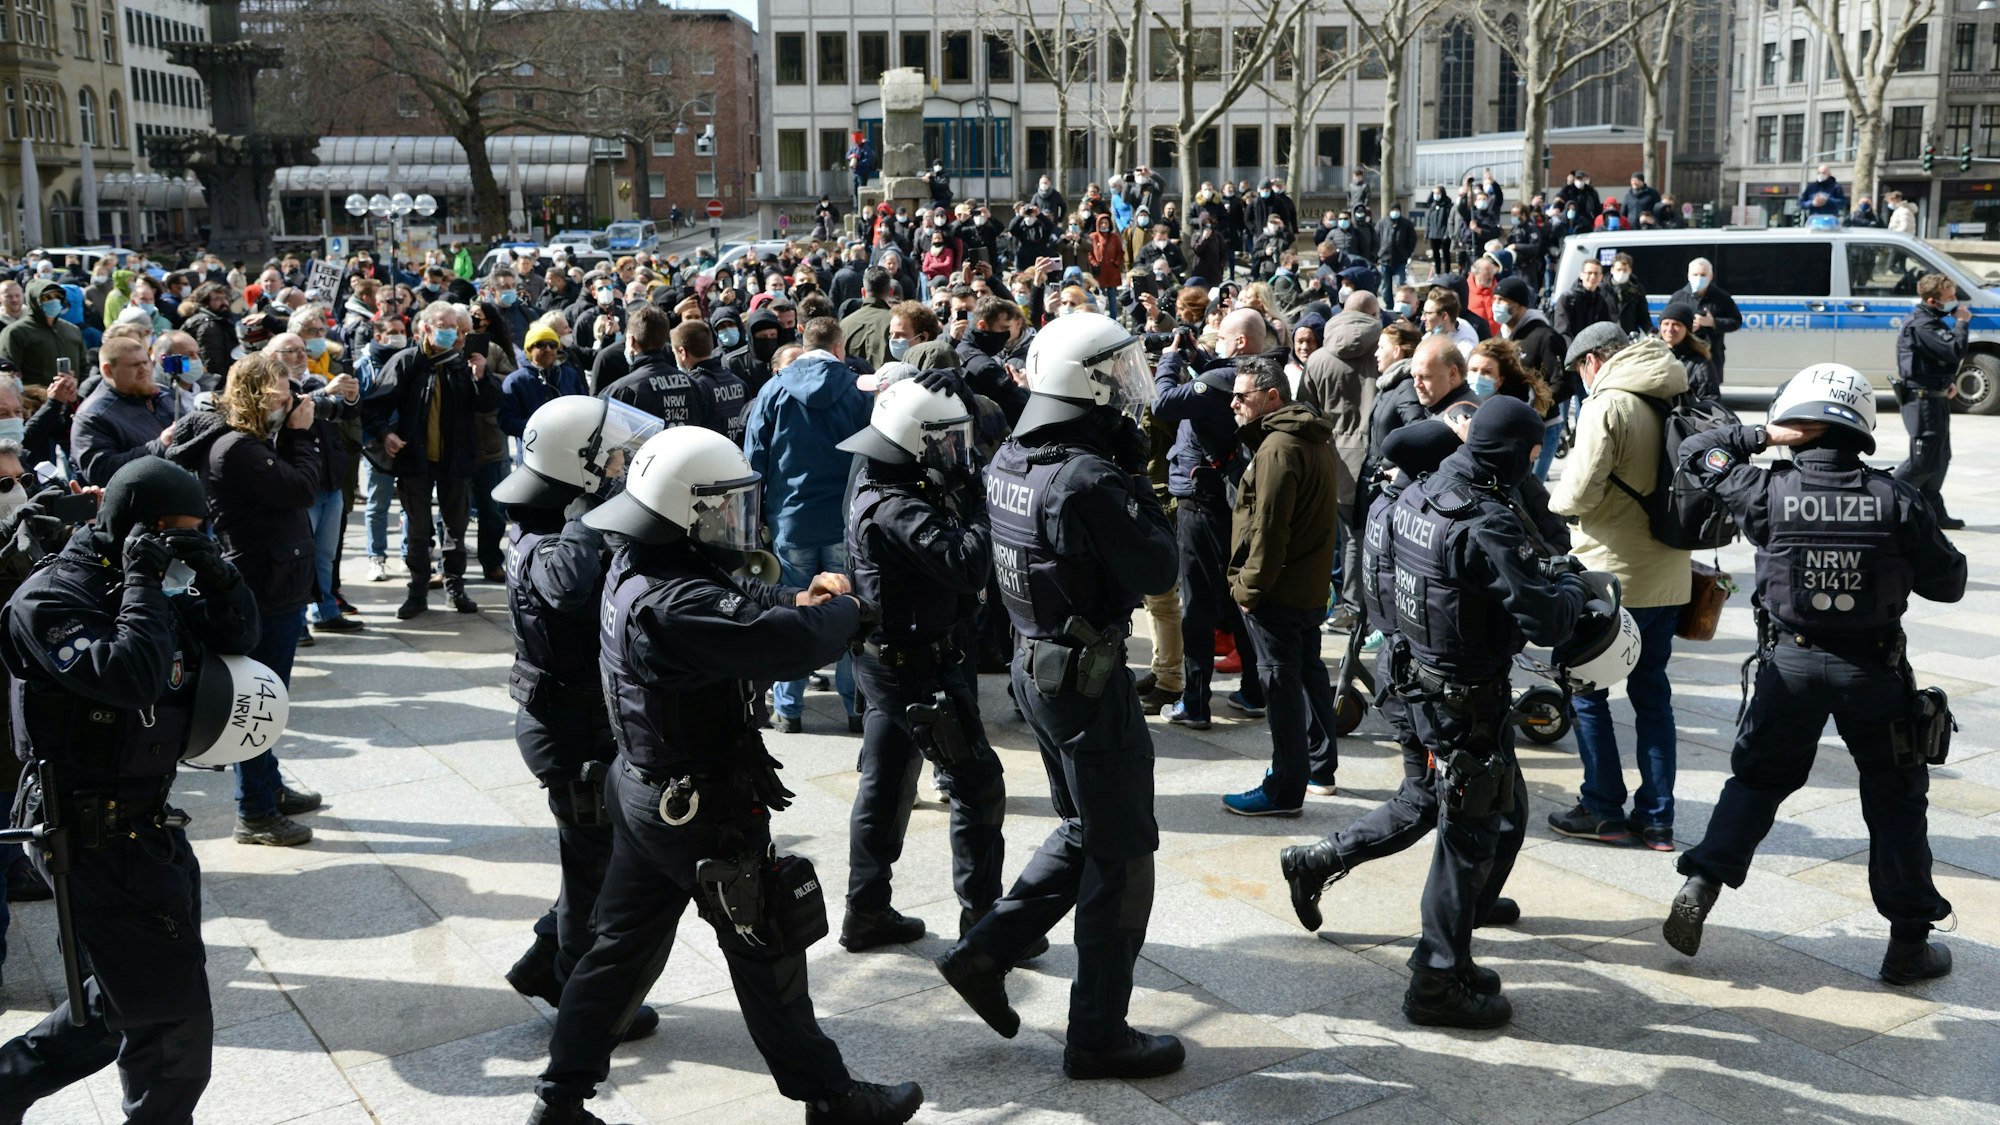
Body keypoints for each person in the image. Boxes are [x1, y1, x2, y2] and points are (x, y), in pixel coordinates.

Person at [528, 425, 923, 1125]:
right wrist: (846, 611)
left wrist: (800, 597)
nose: (730, 519)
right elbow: (780, 642)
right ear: (684, 511)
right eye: (719, 506)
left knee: (617, 953)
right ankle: (831, 1098)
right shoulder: (673, 601)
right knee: (767, 944)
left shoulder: (640, 561)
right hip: (699, 809)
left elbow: (738, 599)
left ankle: (559, 1101)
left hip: (646, 792)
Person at [934, 312, 1185, 1081]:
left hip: (1040, 665)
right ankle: (1099, 1034)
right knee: (1122, 853)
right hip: (1085, 678)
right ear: (1088, 383)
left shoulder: (1016, 454)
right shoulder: (1087, 477)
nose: (1129, 388)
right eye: (1118, 374)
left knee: (1085, 828)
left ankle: (986, 952)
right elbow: (1158, 567)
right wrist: (1137, 482)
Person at [1663, 363, 1964, 986]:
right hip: (1873, 673)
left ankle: (1702, 882)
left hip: (1789, 669)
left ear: (1794, 421)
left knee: (1757, 781)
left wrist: (1761, 437)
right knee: (1896, 800)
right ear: (1861, 425)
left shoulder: (1764, 491)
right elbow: (1950, 584)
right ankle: (1908, 946)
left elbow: (1696, 452)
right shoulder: (1897, 499)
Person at [0, 458, 260, 1123]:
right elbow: (131, 676)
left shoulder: (151, 580)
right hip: (89, 835)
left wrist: (217, 573)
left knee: (112, 1005)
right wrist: (144, 581)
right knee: (172, 1023)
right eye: (174, 532)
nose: (178, 548)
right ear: (133, 526)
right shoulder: (51, 598)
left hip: (148, 828)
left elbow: (239, 636)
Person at [1370, 398, 1593, 1027]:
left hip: (1422, 676)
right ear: (1521, 453)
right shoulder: (1484, 519)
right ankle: (1435, 983)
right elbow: (1546, 620)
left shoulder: (1425, 489)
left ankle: (1455, 959)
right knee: (1465, 839)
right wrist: (1574, 587)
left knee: (1480, 821)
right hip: (1465, 696)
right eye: (1533, 454)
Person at [492, 396, 664, 1040]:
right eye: (610, 459)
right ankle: (579, 1000)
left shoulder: (550, 520)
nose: (620, 466)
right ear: (577, 469)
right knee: (596, 868)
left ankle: (547, 963)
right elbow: (566, 586)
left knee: (592, 857)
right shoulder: (546, 534)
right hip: (566, 728)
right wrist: (588, 514)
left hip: (578, 718)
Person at [834, 376, 1017, 954]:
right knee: (977, 785)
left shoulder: (883, 476)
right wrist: (983, 503)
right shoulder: (898, 507)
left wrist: (961, 395)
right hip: (913, 669)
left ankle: (866, 910)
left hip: (890, 660)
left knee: (886, 785)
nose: (953, 453)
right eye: (942, 441)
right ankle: (984, 926)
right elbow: (967, 565)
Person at [166, 352, 327, 847]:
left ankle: (268, 786)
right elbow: (303, 487)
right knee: (259, 702)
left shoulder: (248, 442)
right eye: (283, 388)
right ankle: (255, 811)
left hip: (275, 582)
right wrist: (300, 435)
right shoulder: (236, 448)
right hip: (263, 586)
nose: (292, 397)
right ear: (259, 394)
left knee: (269, 696)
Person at [1544, 325, 1690, 850]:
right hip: (1669, 575)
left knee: (1587, 691)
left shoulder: (1608, 404)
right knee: (1653, 697)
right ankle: (1657, 818)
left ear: (1592, 361)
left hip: (1611, 580)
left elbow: (1578, 493)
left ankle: (1602, 809)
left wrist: (1551, 505)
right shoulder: (1672, 393)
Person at [1220, 357, 1340, 814]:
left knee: (1282, 685)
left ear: (1272, 397)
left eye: (1242, 396)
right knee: (1307, 674)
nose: (1234, 404)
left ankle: (1284, 789)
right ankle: (1319, 768)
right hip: (1305, 586)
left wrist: (1248, 590)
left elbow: (1269, 528)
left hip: (1279, 591)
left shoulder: (1278, 447)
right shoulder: (1309, 437)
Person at [742, 317, 871, 734]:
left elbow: (754, 459)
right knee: (848, 611)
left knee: (793, 609)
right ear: (839, 348)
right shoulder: (857, 389)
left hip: (791, 520)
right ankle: (854, 704)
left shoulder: (773, 390)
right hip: (843, 521)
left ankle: (789, 707)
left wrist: (755, 521)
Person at [1151, 315, 1267, 727]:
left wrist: (1169, 360)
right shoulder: (1251, 375)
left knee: (1197, 605)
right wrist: (1198, 357)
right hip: (1228, 502)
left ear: (1240, 341)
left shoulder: (1223, 381)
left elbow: (1162, 403)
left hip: (1201, 506)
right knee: (1236, 600)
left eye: (1221, 338)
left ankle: (1195, 703)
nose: (1216, 343)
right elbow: (1215, 376)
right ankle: (1254, 691)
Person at [368, 302, 500, 619]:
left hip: (457, 462)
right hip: (415, 461)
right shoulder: (407, 361)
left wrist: (482, 376)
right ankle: (417, 593)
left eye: (455, 327)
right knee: (417, 531)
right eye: (444, 326)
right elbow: (374, 406)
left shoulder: (463, 363)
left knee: (455, 530)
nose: (452, 332)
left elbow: (489, 404)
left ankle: (455, 589)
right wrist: (386, 434)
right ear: (426, 328)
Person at [1892, 273, 1971, 530]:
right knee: (1922, 460)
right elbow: (1954, 350)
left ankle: (1934, 512)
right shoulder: (1923, 324)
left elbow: (1935, 360)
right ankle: (1886, 501)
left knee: (1940, 457)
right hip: (1921, 401)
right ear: (1931, 300)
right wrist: (1962, 323)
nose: (1955, 301)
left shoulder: (1931, 321)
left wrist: (1947, 381)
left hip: (1935, 397)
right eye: (1950, 297)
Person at [71, 336, 176, 487]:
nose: (144, 370)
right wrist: (160, 446)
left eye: (146, 362)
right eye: (134, 365)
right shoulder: (93, 416)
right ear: (108, 370)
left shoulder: (163, 394)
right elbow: (100, 472)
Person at [1665, 258, 1741, 387]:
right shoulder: (1678, 297)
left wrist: (1713, 322)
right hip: (1684, 356)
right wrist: (1687, 328)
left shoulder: (1722, 297)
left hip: (1712, 354)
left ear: (1710, 276)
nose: (1699, 278)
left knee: (1709, 390)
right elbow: (1666, 323)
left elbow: (1736, 321)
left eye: (1703, 275)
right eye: (1695, 274)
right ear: (1688, 276)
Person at [0, 279, 89, 388]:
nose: (54, 301)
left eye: (57, 296)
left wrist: (80, 391)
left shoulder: (72, 330)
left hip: (73, 395)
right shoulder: (16, 332)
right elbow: (8, 375)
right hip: (35, 397)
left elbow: (85, 366)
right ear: (35, 300)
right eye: (47, 297)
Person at [1658, 303, 1720, 401]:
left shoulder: (1700, 363)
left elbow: (1710, 400)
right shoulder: (1650, 355)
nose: (1670, 329)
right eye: (1666, 324)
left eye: (1676, 324)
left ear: (1687, 329)